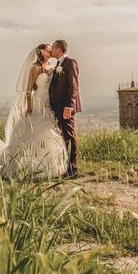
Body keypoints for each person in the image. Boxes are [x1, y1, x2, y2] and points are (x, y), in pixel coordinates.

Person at [0, 44, 68, 179]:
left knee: (48, 132)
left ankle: (50, 165)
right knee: (33, 132)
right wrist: (29, 106)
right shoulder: (35, 68)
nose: (50, 49)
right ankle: (26, 165)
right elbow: (29, 90)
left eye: (51, 47)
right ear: (40, 51)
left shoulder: (51, 67)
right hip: (37, 102)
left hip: (48, 103)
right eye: (47, 48)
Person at [48, 39, 82, 178]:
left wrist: (69, 106)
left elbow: (73, 85)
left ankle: (73, 168)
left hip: (66, 107)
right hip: (57, 106)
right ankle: (64, 164)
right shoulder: (58, 64)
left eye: (53, 47)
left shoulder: (70, 63)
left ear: (59, 49)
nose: (51, 50)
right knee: (62, 136)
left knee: (70, 135)